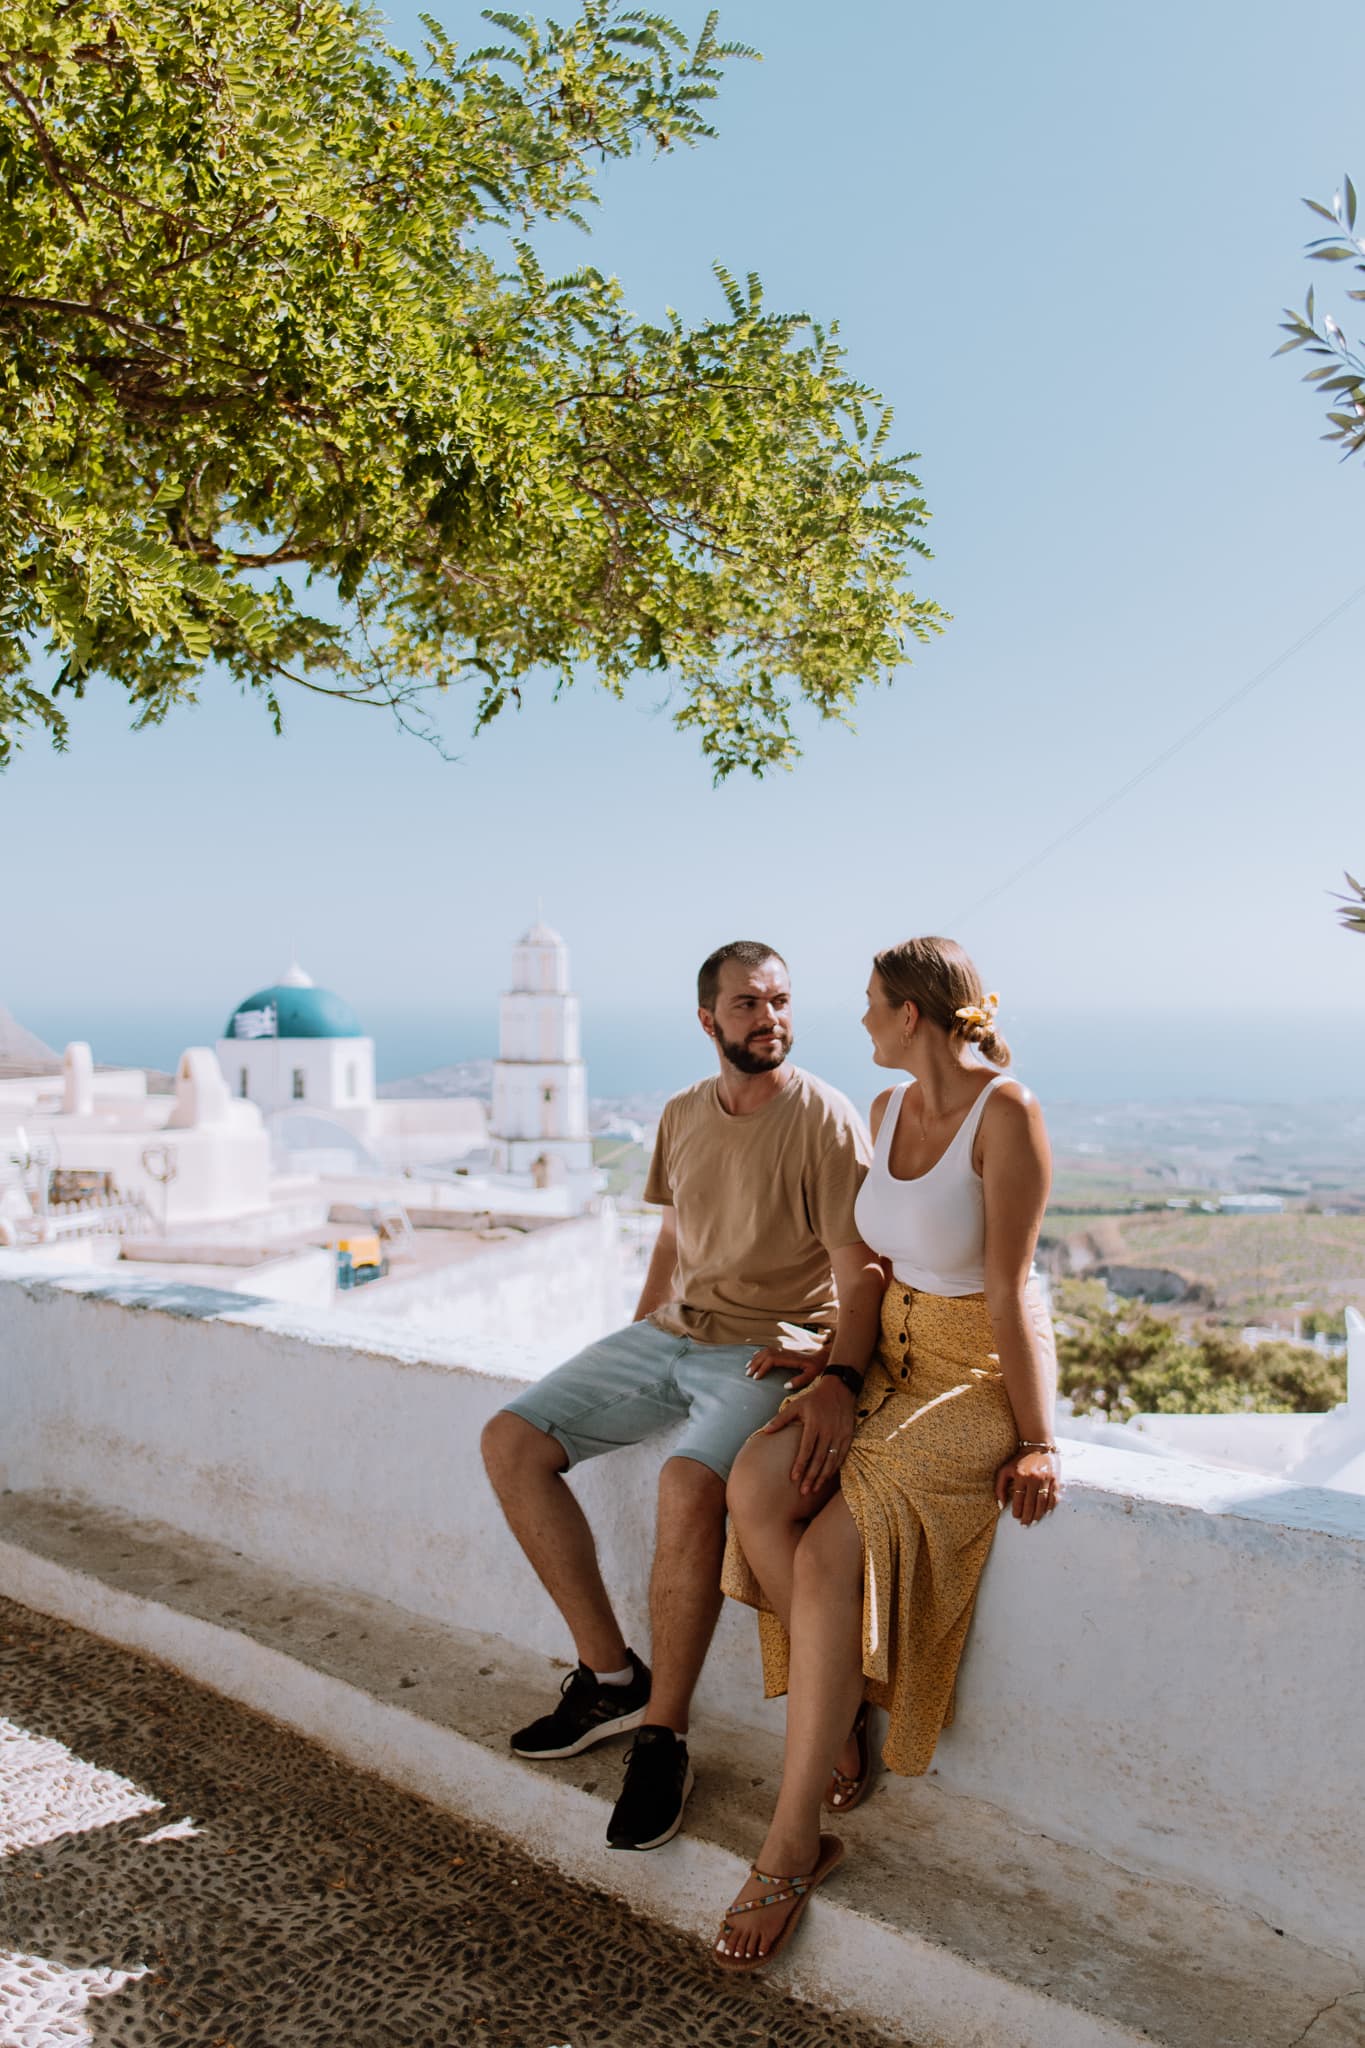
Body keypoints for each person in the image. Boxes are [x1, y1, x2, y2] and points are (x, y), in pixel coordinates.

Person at [481, 940, 885, 1854]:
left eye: (778, 1001)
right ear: (708, 1020)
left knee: (685, 1485)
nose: (768, 1019)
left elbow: (856, 1268)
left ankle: (664, 1735)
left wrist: (832, 1365)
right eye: (746, 1005)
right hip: (673, 1333)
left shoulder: (824, 1118)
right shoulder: (679, 1113)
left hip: (763, 1353)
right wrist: (631, 1341)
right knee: (509, 1440)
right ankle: (608, 1676)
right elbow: (674, 1238)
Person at [712, 936, 1060, 1970]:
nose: (857, 1018)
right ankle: (847, 1708)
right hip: (883, 1352)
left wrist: (1038, 1438)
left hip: (971, 1373)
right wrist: (834, 1377)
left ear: (913, 1013)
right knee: (756, 1482)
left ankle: (790, 1843)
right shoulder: (885, 1110)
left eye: (870, 1003)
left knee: (825, 1554)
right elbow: (867, 1273)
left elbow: (1008, 1292)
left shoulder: (1009, 1116)